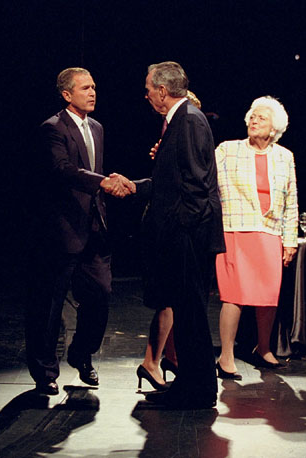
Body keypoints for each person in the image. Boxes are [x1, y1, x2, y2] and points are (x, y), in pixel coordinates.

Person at [26, 67, 135, 395]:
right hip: (61, 230)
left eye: (94, 87)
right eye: (85, 88)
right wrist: (101, 181)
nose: (92, 92)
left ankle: (81, 352)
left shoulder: (98, 128)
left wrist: (107, 181)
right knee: (49, 304)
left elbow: (95, 171)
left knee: (100, 295)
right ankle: (44, 370)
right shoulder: (52, 128)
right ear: (66, 94)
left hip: (94, 228)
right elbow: (63, 170)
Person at [134, 61, 225, 408]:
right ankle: (190, 384)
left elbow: (197, 185)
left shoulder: (187, 119)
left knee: (192, 315)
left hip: (187, 235)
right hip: (184, 233)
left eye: (148, 88)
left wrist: (180, 229)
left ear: (161, 90)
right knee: (186, 314)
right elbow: (176, 175)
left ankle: (199, 391)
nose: (146, 94)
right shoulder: (180, 120)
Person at [214, 96, 298, 380]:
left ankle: (263, 349)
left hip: (270, 233)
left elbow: (291, 201)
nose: (253, 120)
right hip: (235, 229)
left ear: (274, 127)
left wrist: (290, 240)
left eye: (261, 118)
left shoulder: (285, 156)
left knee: (267, 297)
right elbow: (202, 172)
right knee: (233, 295)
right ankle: (225, 356)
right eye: (252, 116)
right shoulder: (228, 150)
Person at [136, 90, 203, 392]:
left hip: (176, 225)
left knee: (175, 300)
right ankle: (154, 361)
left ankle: (170, 359)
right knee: (169, 299)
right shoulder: (171, 136)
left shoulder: (186, 131)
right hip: (168, 228)